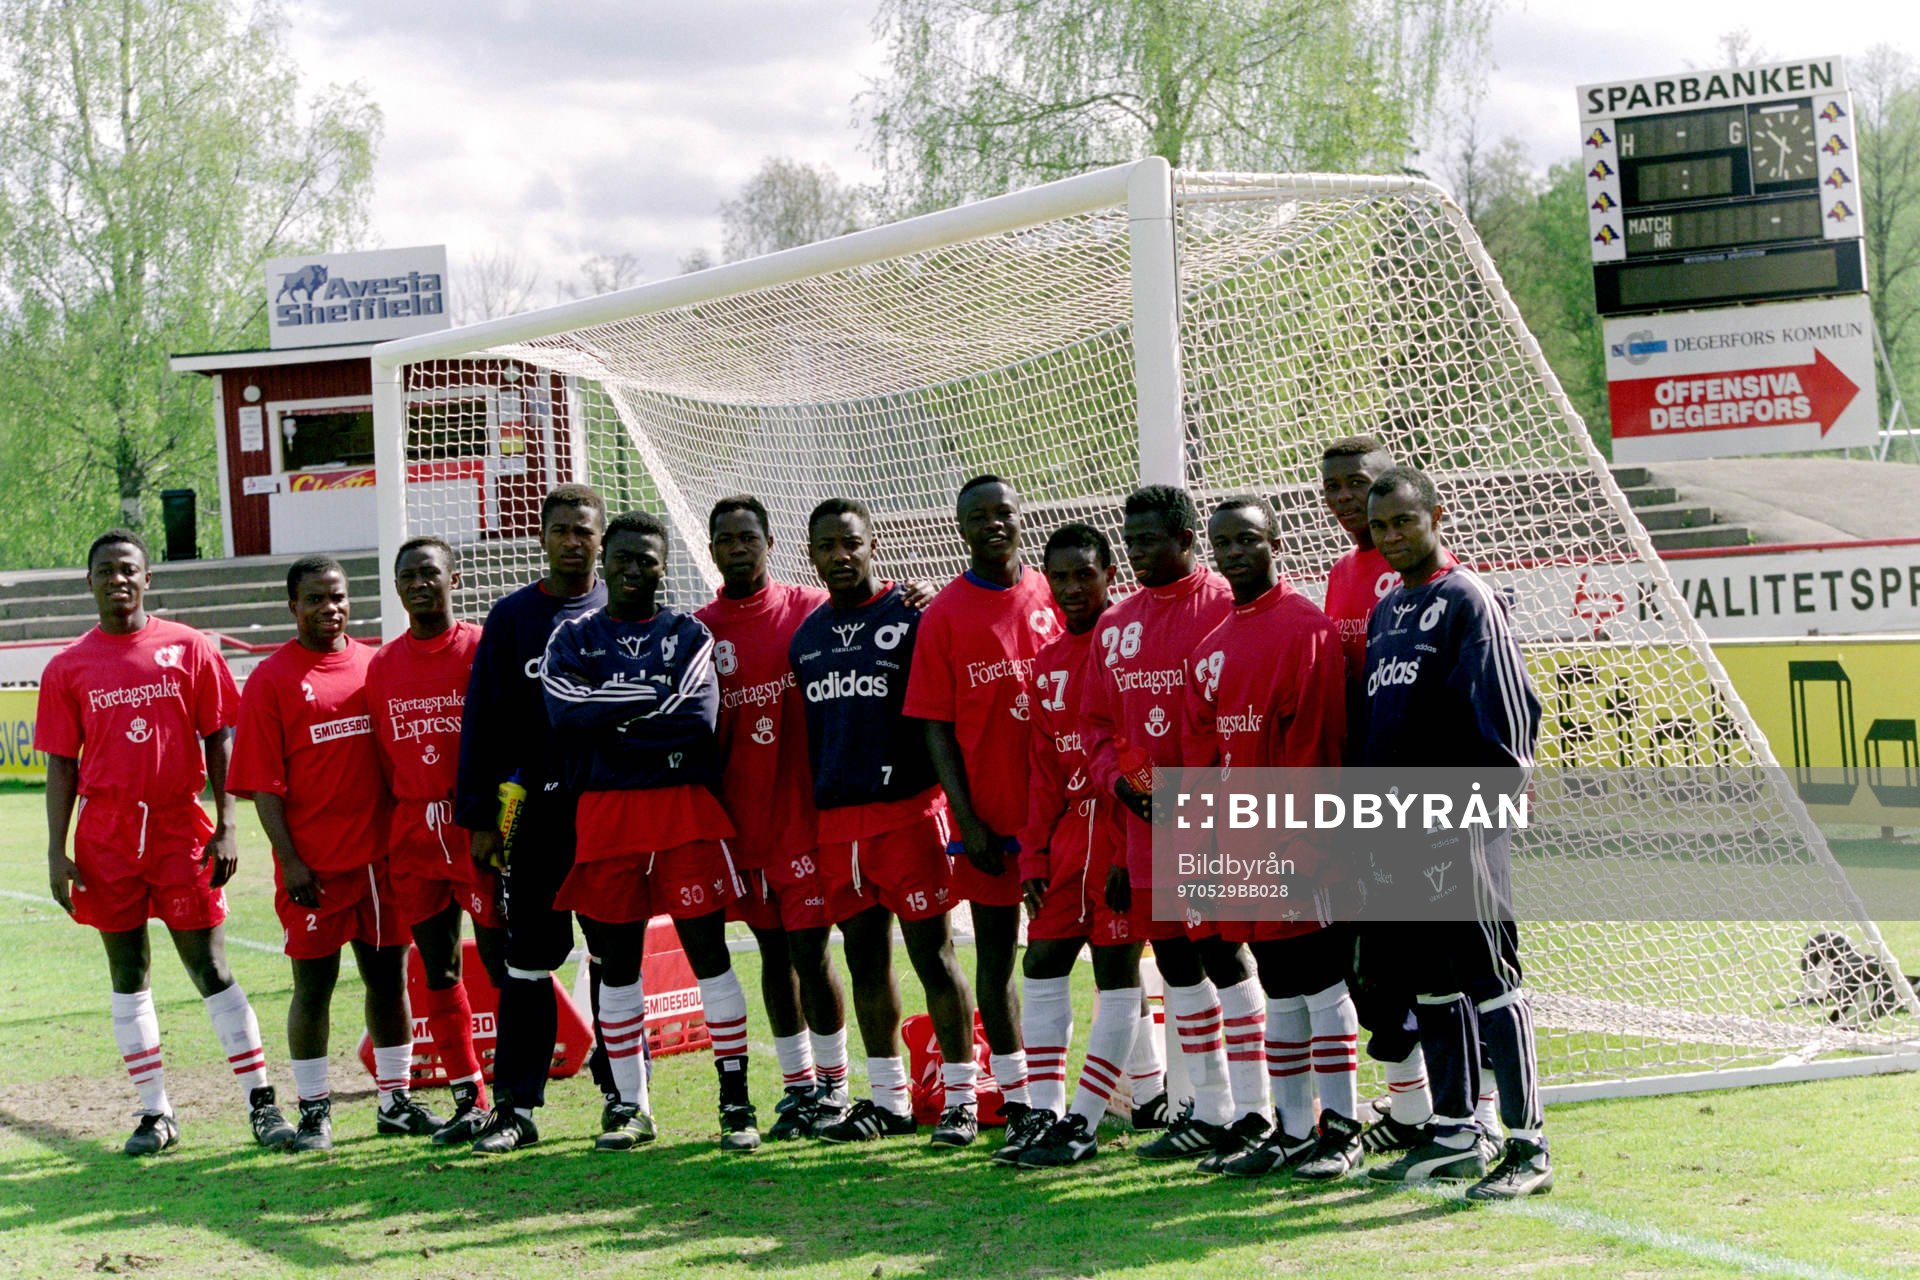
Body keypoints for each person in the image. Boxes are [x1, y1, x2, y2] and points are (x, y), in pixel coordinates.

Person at [36, 529, 294, 1156]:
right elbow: (62, 766)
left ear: (148, 578)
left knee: (211, 967)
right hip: (106, 836)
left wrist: (228, 823)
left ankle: (263, 1105)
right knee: (129, 974)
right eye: (105, 570)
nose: (117, 579)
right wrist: (56, 848)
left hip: (181, 829)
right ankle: (156, 1113)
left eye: (129, 569)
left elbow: (220, 738)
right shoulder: (67, 666)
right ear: (89, 581)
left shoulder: (189, 648)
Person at [1356, 465, 1552, 1200]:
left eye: (1404, 520)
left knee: (1490, 982)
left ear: (1437, 516)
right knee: (1430, 987)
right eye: (1380, 526)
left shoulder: (1468, 599)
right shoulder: (1386, 612)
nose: (1392, 536)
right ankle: (1454, 1130)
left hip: (1458, 829)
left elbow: (1511, 722)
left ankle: (1529, 1146)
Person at [541, 510, 762, 1153]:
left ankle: (735, 1102)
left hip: (681, 808)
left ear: (665, 566)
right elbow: (562, 711)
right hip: (606, 813)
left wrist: (608, 716)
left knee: (709, 956)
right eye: (625, 557)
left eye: (649, 559)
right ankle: (630, 1107)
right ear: (604, 561)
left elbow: (694, 718)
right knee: (618, 966)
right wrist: (645, 703)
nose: (636, 569)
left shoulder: (687, 633)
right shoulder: (571, 637)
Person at [1080, 484, 1269, 1170]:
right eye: (1128, 541)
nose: (1134, 552)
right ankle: (1213, 1109)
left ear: (1189, 539)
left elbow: (1245, 712)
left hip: (1217, 820)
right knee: (1178, 965)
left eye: (1149, 540)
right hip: (1147, 821)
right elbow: (1099, 729)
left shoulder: (1227, 602)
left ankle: (1256, 1111)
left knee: (1228, 955)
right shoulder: (1115, 625)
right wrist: (1131, 787)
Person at [1177, 497, 1362, 1182]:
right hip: (1239, 843)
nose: (1234, 552)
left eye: (1248, 539)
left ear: (1275, 544)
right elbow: (1205, 759)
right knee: (1278, 984)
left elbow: (1321, 743)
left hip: (1296, 839)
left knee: (1320, 977)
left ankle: (1344, 1127)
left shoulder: (1306, 628)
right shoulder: (1211, 648)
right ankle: (1292, 1129)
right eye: (1223, 542)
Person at [228, 554, 439, 1151]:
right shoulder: (271, 679)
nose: (331, 608)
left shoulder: (377, 665)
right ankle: (315, 1110)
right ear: (293, 606)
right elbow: (263, 787)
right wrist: (291, 861)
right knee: (313, 988)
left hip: (382, 865)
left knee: (389, 981)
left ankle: (395, 1100)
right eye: (316, 599)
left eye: (339, 597)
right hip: (315, 870)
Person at [792, 497, 981, 1147]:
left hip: (907, 815)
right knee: (866, 964)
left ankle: (960, 1097)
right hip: (837, 826)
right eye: (826, 547)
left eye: (851, 543)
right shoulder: (807, 638)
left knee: (934, 957)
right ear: (810, 555)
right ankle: (890, 1100)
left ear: (872, 545)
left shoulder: (911, 615)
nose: (840, 556)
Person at [455, 484, 617, 1155]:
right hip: (537, 821)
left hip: (609, 815)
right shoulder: (512, 617)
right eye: (562, 530)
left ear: (600, 540)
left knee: (617, 959)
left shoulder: (623, 609)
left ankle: (622, 1095)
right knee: (526, 961)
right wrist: (482, 819)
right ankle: (517, 1108)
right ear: (542, 537)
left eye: (585, 530)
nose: (573, 541)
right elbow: (483, 724)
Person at [904, 474, 1063, 1148]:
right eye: (979, 517)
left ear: (1020, 517)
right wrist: (966, 820)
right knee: (998, 964)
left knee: (1080, 956)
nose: (994, 524)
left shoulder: (1057, 591)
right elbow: (934, 726)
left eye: (1004, 512)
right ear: (961, 528)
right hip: (992, 822)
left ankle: (1134, 1093)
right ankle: (1024, 1103)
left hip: (1065, 815)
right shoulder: (943, 614)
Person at [1008, 523, 1169, 1169]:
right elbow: (1042, 770)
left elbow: (1147, 753)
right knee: (1042, 961)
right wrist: (1035, 857)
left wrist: (1137, 850)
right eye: (1061, 576)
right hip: (1071, 836)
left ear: (1110, 575)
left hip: (1125, 828)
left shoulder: (1131, 645)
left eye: (1086, 574)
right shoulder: (1045, 663)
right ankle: (1044, 1115)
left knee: (1115, 974)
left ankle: (1085, 1121)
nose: (1073, 588)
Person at [697, 495, 852, 1139]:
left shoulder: (809, 611)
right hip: (743, 821)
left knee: (812, 951)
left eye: (748, 536)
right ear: (711, 550)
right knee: (771, 951)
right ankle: (797, 1087)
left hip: (804, 815)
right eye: (726, 538)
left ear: (768, 542)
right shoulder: (699, 631)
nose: (738, 546)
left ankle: (836, 1089)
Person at [1318, 433, 1440, 1154]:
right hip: (1351, 796)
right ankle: (1412, 1110)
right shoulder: (1339, 574)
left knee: (1440, 963)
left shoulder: (1429, 575)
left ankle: (1474, 1114)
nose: (1341, 499)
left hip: (1413, 798)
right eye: (1329, 487)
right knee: (1366, 965)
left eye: (1353, 484)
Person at [366, 535, 505, 1146]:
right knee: (438, 969)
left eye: (429, 573)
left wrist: (500, 824)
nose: (419, 584)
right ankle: (468, 1097)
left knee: (505, 964)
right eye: (408, 577)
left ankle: (515, 1098)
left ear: (454, 578)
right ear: (397, 588)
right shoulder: (381, 665)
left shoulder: (482, 648)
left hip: (477, 825)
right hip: (414, 833)